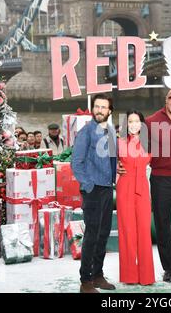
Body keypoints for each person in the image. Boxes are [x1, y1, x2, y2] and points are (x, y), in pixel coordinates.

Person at [119, 88, 171, 283]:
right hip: (161, 179)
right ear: (166, 100)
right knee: (163, 226)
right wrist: (119, 164)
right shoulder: (151, 121)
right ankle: (168, 269)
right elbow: (130, 139)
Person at [71, 93, 117, 293]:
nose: (99, 110)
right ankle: (86, 281)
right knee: (91, 235)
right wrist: (88, 185)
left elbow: (112, 158)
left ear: (109, 111)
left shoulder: (112, 130)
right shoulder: (86, 132)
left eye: (103, 107)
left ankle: (98, 275)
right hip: (93, 190)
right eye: (97, 106)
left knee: (103, 233)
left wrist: (117, 173)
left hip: (107, 188)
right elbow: (76, 163)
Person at [116, 109, 155, 286]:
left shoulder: (150, 142)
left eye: (136, 121)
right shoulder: (117, 142)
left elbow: (162, 164)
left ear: (142, 124)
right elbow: (107, 163)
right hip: (125, 186)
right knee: (127, 231)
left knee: (144, 233)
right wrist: (115, 167)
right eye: (130, 122)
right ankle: (129, 276)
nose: (133, 125)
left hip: (142, 188)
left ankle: (147, 276)